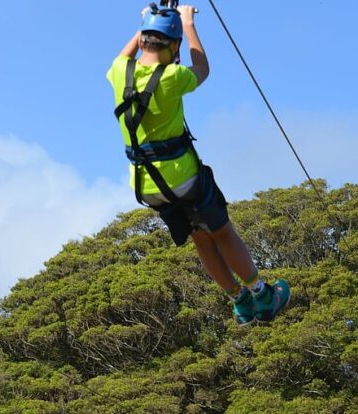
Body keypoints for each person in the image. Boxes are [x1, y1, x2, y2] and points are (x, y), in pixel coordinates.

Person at [106, 4, 290, 325]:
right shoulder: (173, 77)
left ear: (144, 40)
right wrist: (188, 25)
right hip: (182, 177)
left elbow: (130, 50)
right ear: (173, 46)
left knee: (199, 238)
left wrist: (149, 20)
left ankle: (239, 301)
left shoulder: (120, 71)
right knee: (221, 232)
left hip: (146, 185)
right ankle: (261, 293)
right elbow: (202, 68)